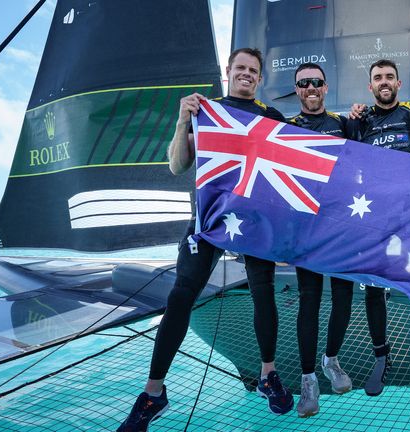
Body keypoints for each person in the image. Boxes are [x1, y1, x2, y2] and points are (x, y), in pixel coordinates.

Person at [118, 48, 293, 432]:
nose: (246, 74)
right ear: (228, 72)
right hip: (211, 219)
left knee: (263, 292)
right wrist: (183, 122)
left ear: (260, 78)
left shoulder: (271, 117)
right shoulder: (206, 112)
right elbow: (178, 164)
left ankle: (267, 374)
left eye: (253, 70)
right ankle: (153, 393)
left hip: (255, 223)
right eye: (240, 68)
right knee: (181, 295)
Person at [345, 58, 410, 396]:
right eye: (378, 78)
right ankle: (381, 356)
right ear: (370, 86)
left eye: (390, 76)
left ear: (398, 82)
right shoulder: (360, 121)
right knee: (374, 288)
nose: (384, 82)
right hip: (374, 216)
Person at [287, 62, 354, 418]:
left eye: (316, 82)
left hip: (341, 225)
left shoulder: (343, 124)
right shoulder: (286, 127)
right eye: (303, 84)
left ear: (325, 87)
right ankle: (308, 379)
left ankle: (331, 360)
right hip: (307, 230)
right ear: (297, 90)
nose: (310, 88)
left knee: (343, 297)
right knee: (309, 303)